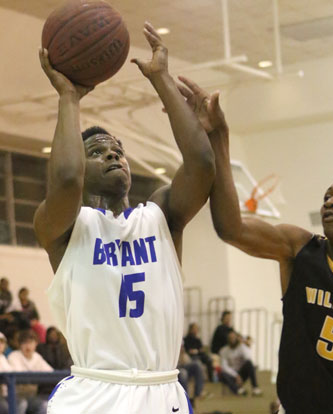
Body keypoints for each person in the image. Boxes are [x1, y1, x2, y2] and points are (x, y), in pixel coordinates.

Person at [33, 22, 215, 414]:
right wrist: (69, 98)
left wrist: (161, 78)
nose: (114, 155)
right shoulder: (63, 226)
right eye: (98, 152)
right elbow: (65, 178)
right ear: (81, 165)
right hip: (95, 393)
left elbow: (201, 164)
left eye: (118, 150)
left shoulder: (160, 216)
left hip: (162, 390)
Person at [174, 78, 333, 413]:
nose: (330, 202)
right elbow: (231, 228)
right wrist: (219, 136)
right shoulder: (300, 248)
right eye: (328, 196)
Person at [8, 330, 53, 414]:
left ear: (36, 343)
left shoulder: (37, 357)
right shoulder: (14, 356)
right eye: (24, 343)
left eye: (31, 342)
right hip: (14, 396)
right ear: (19, 344)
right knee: (22, 404)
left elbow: (50, 373)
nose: (28, 346)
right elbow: (19, 376)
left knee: (45, 406)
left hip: (31, 397)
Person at [219, 331, 262, 396]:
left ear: (237, 338)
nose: (232, 340)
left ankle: (255, 388)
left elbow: (248, 359)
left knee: (249, 364)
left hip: (242, 374)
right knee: (222, 374)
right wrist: (236, 376)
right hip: (231, 375)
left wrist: (244, 345)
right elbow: (224, 367)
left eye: (233, 338)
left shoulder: (242, 348)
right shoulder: (224, 350)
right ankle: (238, 390)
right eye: (230, 338)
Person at [0, 332, 28, 414]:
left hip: (8, 394)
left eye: (2, 342)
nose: (0, 345)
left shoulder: (3, 358)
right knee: (4, 407)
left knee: (22, 403)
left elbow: (13, 374)